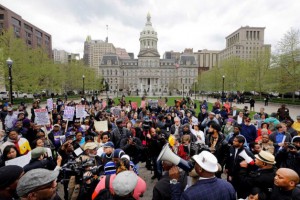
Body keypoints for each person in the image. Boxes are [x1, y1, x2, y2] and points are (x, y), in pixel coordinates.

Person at [169, 151, 236, 200]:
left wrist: (174, 181)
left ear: (200, 169)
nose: (194, 164)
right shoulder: (228, 186)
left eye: (196, 163)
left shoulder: (190, 194)